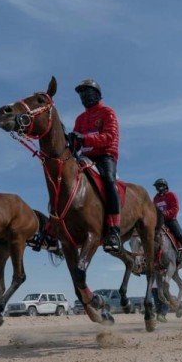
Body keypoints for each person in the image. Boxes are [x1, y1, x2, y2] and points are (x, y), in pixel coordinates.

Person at [68, 79, 121, 253]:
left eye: (88, 93)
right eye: (82, 95)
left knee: (108, 180)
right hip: (85, 157)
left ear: (97, 95)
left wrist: (85, 138)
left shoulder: (108, 112)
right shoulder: (80, 118)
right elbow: (77, 143)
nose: (85, 97)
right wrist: (72, 142)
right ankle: (53, 227)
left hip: (105, 156)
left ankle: (114, 229)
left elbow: (109, 137)